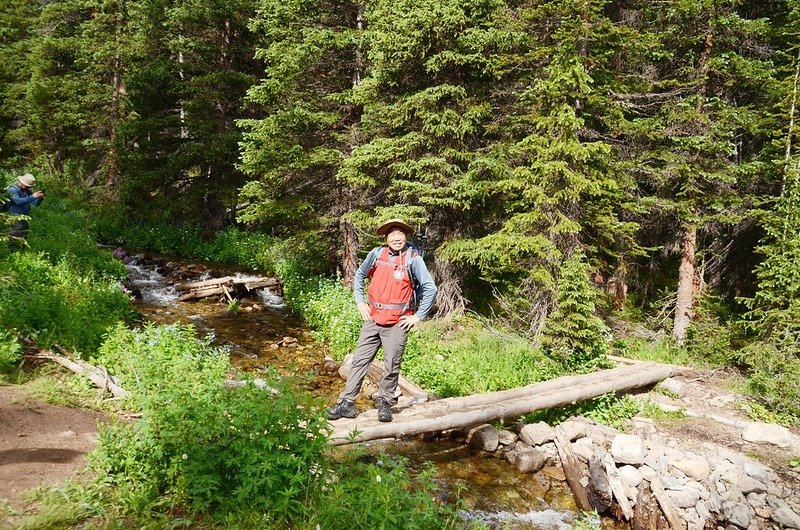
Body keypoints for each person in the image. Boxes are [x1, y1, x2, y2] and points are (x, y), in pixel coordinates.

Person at [326, 219, 437, 423]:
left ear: (406, 237)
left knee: (391, 364)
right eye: (392, 234)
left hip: (397, 322)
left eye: (401, 234)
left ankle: (385, 403)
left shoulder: (413, 259)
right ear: (385, 238)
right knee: (360, 360)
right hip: (373, 318)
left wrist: (417, 316)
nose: (397, 238)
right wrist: (360, 301)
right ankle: (347, 403)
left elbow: (430, 288)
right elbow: (360, 274)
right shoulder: (377, 254)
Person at [6, 173, 44, 252]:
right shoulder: (12, 189)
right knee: (14, 237)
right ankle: (12, 254)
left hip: (24, 218)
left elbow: (35, 203)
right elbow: (17, 201)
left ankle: (20, 253)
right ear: (22, 183)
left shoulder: (27, 191)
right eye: (27, 186)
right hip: (14, 218)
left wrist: (40, 198)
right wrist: (33, 196)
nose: (28, 188)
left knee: (23, 237)